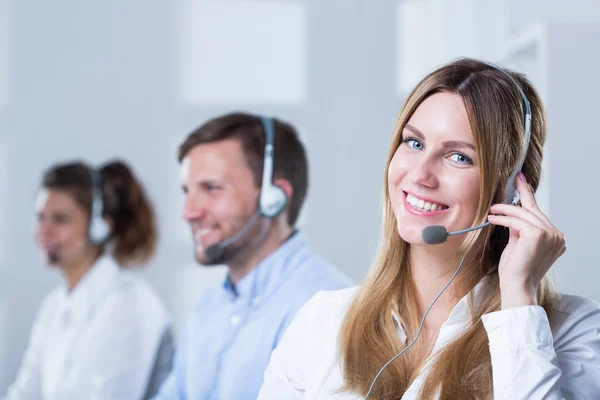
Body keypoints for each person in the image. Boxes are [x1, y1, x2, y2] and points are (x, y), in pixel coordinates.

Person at [257, 58, 600, 399]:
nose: (420, 175)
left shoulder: (574, 331)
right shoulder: (323, 322)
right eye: (414, 143)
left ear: (511, 188)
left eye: (459, 157)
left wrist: (519, 298)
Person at [153, 112, 352, 399]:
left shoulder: (327, 308)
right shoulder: (209, 307)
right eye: (187, 191)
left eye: (211, 188)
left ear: (274, 198)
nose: (188, 212)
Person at [4, 160, 174, 400]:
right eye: (41, 217)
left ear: (99, 227)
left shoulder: (130, 304)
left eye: (61, 219)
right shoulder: (53, 307)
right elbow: (25, 393)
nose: (44, 230)